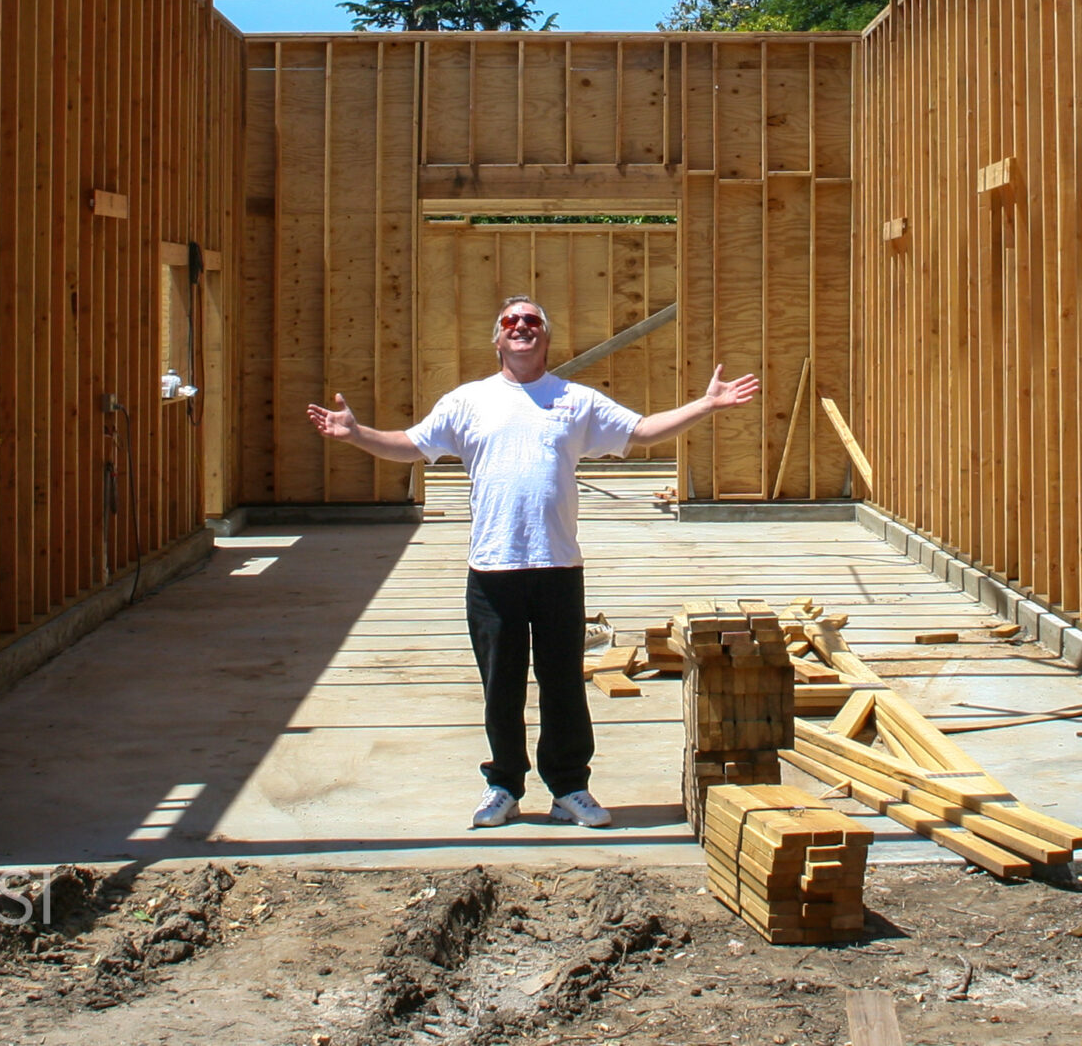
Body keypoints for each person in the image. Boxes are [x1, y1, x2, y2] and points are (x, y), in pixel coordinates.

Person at [307, 295, 760, 829]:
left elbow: (639, 431)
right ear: (496, 339)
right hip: (493, 571)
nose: (521, 327)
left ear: (546, 337)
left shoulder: (574, 400)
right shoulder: (467, 402)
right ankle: (503, 786)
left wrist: (705, 405)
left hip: (557, 569)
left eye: (532, 322)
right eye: (510, 322)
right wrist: (357, 434)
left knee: (563, 683)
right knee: (502, 686)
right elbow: (411, 444)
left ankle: (569, 787)